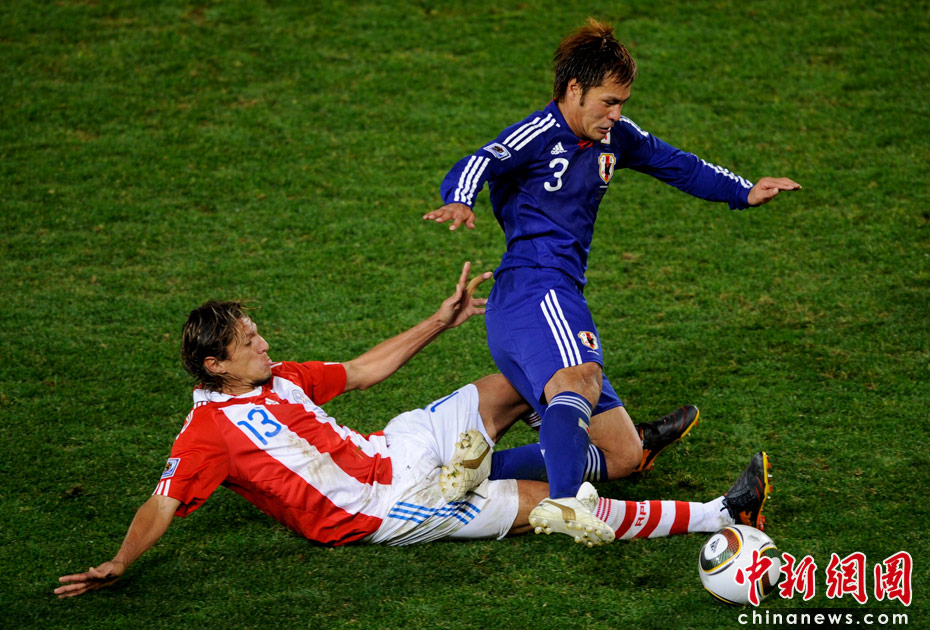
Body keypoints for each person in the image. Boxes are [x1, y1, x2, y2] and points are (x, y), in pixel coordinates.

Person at [55, 263, 772, 598]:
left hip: (400, 446)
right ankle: (721, 513)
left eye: (257, 332)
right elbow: (162, 504)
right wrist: (119, 561)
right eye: (249, 342)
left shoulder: (280, 377)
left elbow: (363, 371)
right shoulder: (205, 436)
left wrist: (440, 319)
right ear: (216, 366)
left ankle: (604, 459)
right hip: (386, 508)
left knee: (522, 378)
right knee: (543, 511)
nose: (265, 343)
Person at [423, 19, 799, 540]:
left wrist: (744, 190)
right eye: (608, 102)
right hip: (535, 288)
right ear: (574, 90)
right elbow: (483, 158)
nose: (616, 114)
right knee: (581, 378)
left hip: (554, 294)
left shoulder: (614, 137)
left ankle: (479, 468)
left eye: (622, 103)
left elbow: (677, 163)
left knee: (623, 454)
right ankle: (563, 501)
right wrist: (461, 198)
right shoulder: (538, 133)